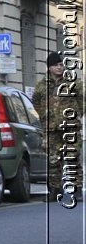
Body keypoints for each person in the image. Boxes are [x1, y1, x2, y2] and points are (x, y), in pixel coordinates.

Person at [34, 51, 71, 200]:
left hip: (69, 127)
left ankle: (76, 189)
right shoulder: (42, 85)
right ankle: (54, 190)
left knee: (72, 157)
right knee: (53, 160)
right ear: (49, 67)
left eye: (61, 65)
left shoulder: (70, 83)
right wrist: (44, 115)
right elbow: (36, 102)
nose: (59, 67)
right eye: (56, 65)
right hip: (50, 128)